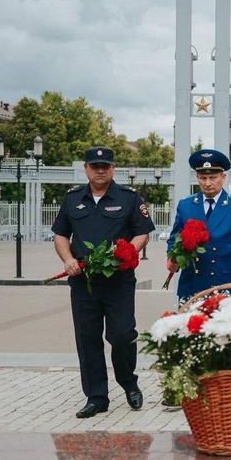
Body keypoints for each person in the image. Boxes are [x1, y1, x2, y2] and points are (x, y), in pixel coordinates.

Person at [51, 146, 154, 418]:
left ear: (113, 168)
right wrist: (67, 259)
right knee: (87, 340)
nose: (100, 170)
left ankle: (128, 382)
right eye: (94, 165)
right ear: (85, 168)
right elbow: (60, 235)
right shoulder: (73, 198)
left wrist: (127, 252)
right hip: (83, 282)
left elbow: (142, 233)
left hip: (118, 281)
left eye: (105, 166)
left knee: (122, 335)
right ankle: (97, 397)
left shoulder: (129, 198)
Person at [166, 149, 231, 302]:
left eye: (213, 177)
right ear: (197, 177)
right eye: (203, 178)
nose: (207, 183)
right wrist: (172, 256)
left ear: (223, 177)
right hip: (191, 286)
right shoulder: (185, 206)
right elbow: (174, 238)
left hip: (223, 287)